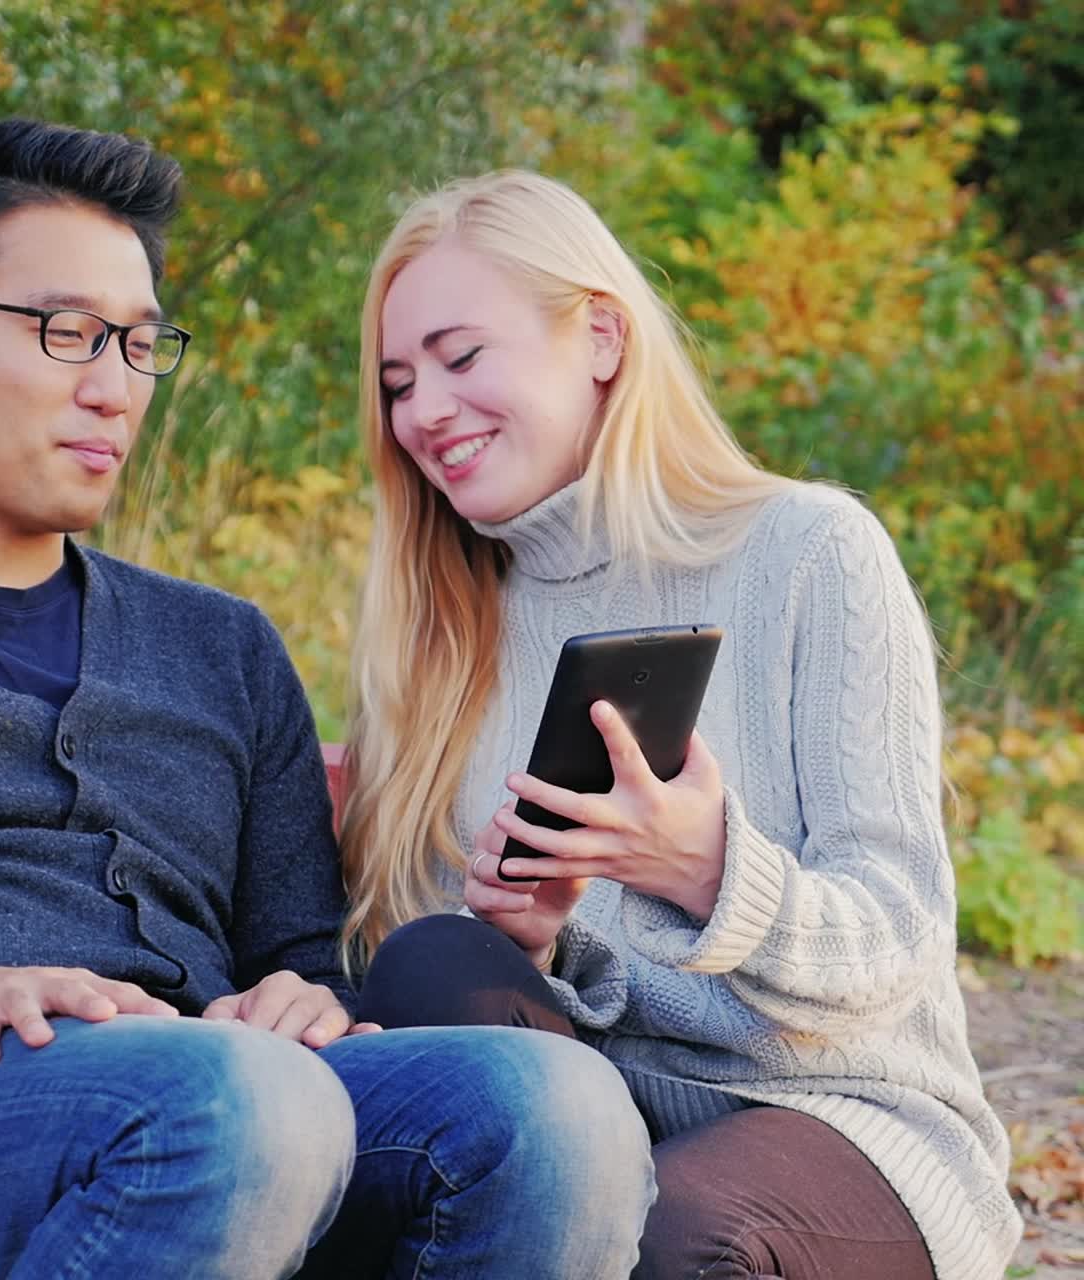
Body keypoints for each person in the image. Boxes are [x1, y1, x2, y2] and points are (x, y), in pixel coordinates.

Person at [0, 124, 657, 1280]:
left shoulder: (219, 646)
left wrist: (299, 997)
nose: (113, 388)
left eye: (140, 346)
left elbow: (302, 951)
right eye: (66, 334)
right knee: (240, 1102)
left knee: (554, 1109)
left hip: (213, 1097)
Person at [338, 169, 1023, 1280]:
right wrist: (538, 938)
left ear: (600, 335)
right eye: (396, 381)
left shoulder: (805, 552)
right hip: (587, 1120)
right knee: (432, 961)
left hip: (839, 1114)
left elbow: (897, 941)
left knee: (681, 1234)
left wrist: (711, 871)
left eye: (459, 358)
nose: (422, 410)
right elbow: (425, 990)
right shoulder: (436, 632)